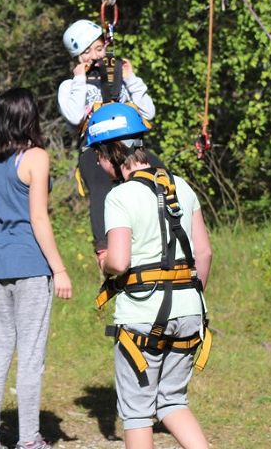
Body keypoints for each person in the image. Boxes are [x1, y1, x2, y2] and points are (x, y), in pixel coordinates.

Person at [87, 102, 213, 449]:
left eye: (98, 154)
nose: (98, 163)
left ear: (113, 152)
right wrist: (191, 294)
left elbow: (120, 261)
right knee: (172, 401)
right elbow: (204, 253)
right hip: (189, 312)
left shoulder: (120, 196)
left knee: (138, 412)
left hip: (141, 316)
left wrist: (104, 262)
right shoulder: (182, 187)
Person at [0, 88, 72, 449]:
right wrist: (59, 269)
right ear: (29, 115)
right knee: (30, 355)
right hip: (30, 265)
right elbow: (39, 217)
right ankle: (29, 440)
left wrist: (3, 236)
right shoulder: (36, 157)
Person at [58, 19, 161, 256]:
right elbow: (74, 117)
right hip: (94, 149)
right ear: (77, 56)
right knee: (100, 186)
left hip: (127, 146)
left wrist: (131, 77)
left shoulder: (119, 80)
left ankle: (167, 227)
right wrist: (79, 80)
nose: (94, 56)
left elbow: (148, 112)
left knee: (159, 175)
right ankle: (104, 249)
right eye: (87, 52)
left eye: (99, 48)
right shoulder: (70, 86)